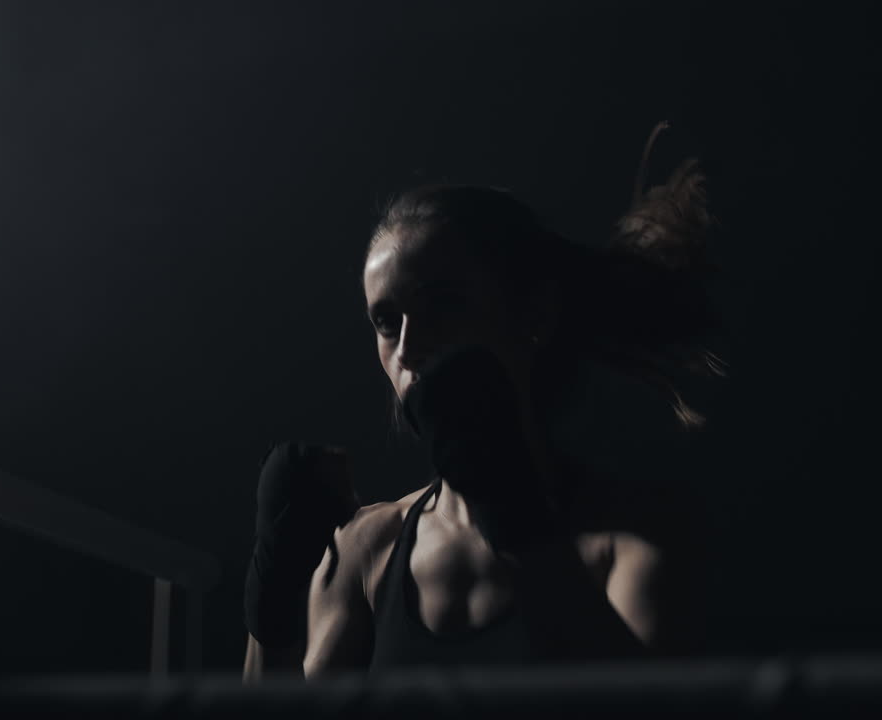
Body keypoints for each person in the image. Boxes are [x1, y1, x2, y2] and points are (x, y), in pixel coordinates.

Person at [243, 122, 725, 679]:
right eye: (384, 321)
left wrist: (518, 521)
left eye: (442, 306)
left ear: (533, 315)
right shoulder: (368, 549)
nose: (408, 346)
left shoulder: (632, 540)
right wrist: (272, 612)